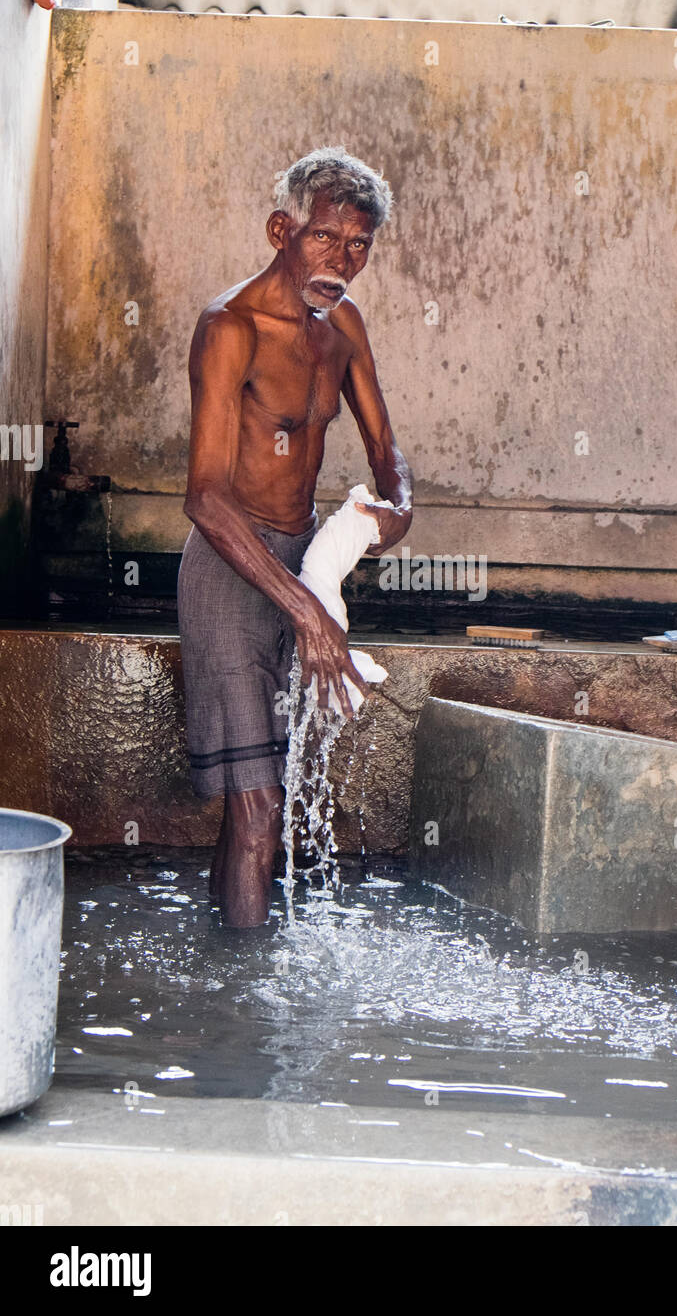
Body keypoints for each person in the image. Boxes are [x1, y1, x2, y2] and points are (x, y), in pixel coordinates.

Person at [178, 146, 413, 929]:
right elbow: (205, 498)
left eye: (358, 246)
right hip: (228, 570)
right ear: (282, 229)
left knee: (256, 809)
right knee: (259, 814)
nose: (341, 261)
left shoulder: (341, 325)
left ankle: (224, 967)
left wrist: (396, 509)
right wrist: (308, 613)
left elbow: (386, 450)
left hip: (302, 566)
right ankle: (249, 1017)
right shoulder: (230, 328)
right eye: (323, 238)